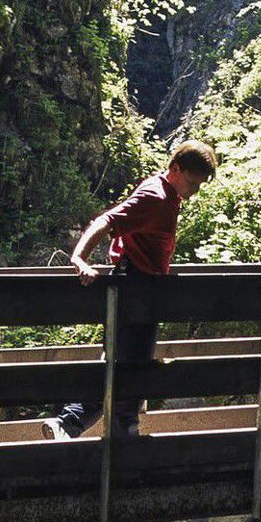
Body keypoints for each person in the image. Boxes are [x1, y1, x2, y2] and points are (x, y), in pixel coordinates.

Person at [43, 140, 217, 440]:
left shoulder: (167, 194)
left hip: (144, 288)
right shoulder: (155, 196)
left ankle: (95, 426)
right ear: (176, 169)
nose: (194, 191)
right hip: (135, 289)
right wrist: (79, 259)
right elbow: (107, 220)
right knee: (129, 368)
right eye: (192, 182)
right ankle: (78, 425)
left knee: (124, 364)